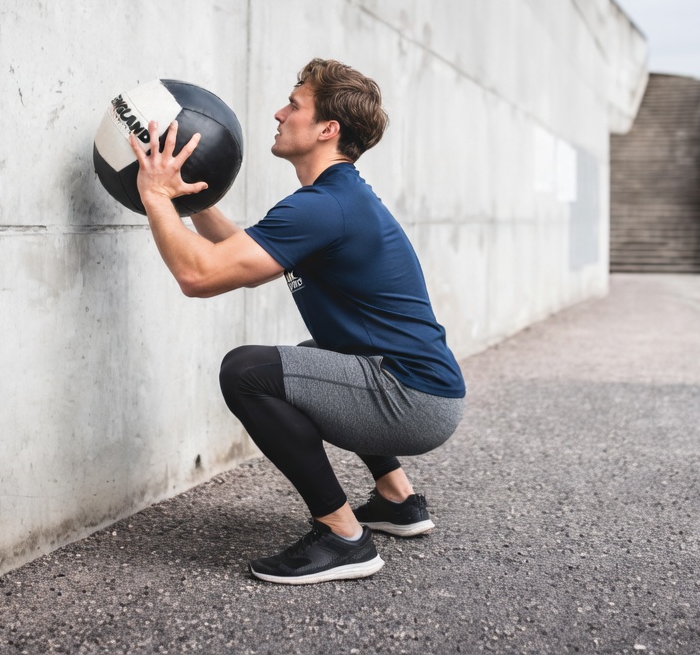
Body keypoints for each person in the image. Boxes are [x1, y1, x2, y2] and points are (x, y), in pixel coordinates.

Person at [126, 58, 466, 585]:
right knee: (316, 352)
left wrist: (154, 195)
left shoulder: (323, 207)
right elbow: (242, 251)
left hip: (413, 402)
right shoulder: (335, 198)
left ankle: (343, 538)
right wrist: (193, 197)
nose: (279, 112)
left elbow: (198, 274)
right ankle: (397, 500)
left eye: (295, 104)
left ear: (327, 129)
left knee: (247, 372)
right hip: (426, 392)